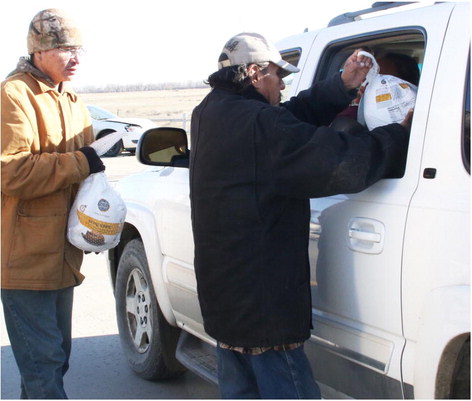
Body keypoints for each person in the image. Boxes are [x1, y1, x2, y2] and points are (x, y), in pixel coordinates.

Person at [189, 32, 411, 399]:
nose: (282, 85)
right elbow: (336, 161)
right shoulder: (260, 124)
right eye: (279, 76)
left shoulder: (212, 111)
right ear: (257, 73)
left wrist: (340, 86)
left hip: (227, 297)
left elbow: (283, 123)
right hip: (263, 305)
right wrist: (396, 135)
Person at [1, 9, 105, 399]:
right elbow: (10, 172)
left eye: (77, 49)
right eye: (63, 49)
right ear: (38, 52)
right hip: (25, 259)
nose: (74, 58)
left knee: (55, 360)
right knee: (43, 366)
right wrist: (82, 160)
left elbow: (84, 171)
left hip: (63, 256)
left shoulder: (73, 99)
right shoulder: (14, 94)